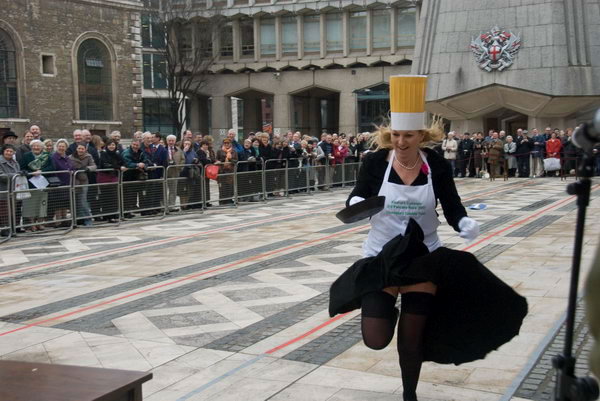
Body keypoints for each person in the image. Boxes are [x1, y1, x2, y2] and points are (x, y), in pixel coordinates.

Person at [329, 75, 527, 401]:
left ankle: (410, 394)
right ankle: (386, 306)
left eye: (408, 135)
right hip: (382, 256)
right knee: (375, 338)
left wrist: (463, 221)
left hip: (425, 258)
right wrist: (354, 205)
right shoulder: (377, 161)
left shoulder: (434, 163)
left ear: (421, 135)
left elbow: (450, 202)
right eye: (396, 135)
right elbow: (358, 194)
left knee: (412, 338)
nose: (401, 142)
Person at [19, 140, 53, 231]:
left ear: (42, 147)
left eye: (38, 146)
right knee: (31, 205)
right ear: (31, 147)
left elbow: (52, 167)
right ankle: (32, 224)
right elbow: (22, 168)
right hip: (31, 183)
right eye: (34, 146)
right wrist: (32, 173)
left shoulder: (47, 156)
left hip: (43, 183)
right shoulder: (26, 156)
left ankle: (40, 223)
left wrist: (42, 171)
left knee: (42, 204)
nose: (36, 148)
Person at [69, 143, 97, 226]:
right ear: (76, 149)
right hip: (73, 181)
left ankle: (88, 219)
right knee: (75, 201)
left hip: (83, 181)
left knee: (83, 201)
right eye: (79, 148)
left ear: (85, 149)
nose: (80, 150)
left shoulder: (88, 156)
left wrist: (88, 168)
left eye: (82, 149)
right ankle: (77, 219)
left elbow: (94, 166)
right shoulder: (71, 157)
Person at [98, 139, 125, 222]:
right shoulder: (103, 154)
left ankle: (113, 214)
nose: (111, 146)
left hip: (113, 177)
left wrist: (120, 166)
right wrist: (117, 167)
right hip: (104, 178)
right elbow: (105, 164)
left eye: (113, 145)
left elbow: (122, 162)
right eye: (110, 145)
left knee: (114, 197)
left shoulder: (117, 154)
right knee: (106, 197)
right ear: (107, 145)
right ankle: (107, 215)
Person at [121, 139, 151, 218]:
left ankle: (143, 210)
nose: (135, 146)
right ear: (131, 144)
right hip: (128, 177)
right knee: (128, 196)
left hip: (139, 177)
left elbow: (146, 161)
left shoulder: (141, 152)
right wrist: (137, 165)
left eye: (137, 145)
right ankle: (126, 212)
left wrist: (144, 165)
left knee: (142, 194)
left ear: (139, 145)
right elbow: (127, 163)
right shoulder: (126, 152)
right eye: (134, 144)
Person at [50, 139, 74, 225]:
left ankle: (64, 220)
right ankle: (58, 221)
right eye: (59, 146)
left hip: (67, 183)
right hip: (58, 184)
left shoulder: (67, 158)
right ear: (56, 147)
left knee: (64, 203)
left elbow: (72, 167)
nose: (61, 148)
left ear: (66, 147)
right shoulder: (53, 157)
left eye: (63, 146)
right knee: (58, 204)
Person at [0, 144, 21, 234]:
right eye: (7, 151)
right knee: (4, 211)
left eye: (11, 151)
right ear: (3, 152)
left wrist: (21, 173)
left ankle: (13, 228)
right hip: (3, 190)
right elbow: (1, 176)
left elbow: (18, 172)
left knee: (13, 210)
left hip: (14, 190)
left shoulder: (15, 162)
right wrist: (16, 175)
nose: (9, 153)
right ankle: (5, 228)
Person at [216, 138, 238, 204]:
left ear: (230, 144)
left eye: (228, 143)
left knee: (230, 186)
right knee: (222, 187)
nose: (226, 144)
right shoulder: (219, 151)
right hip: (222, 171)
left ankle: (229, 199)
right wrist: (219, 161)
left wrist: (230, 158)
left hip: (230, 171)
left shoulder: (234, 151)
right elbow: (216, 159)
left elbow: (236, 161)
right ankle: (222, 201)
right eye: (225, 143)